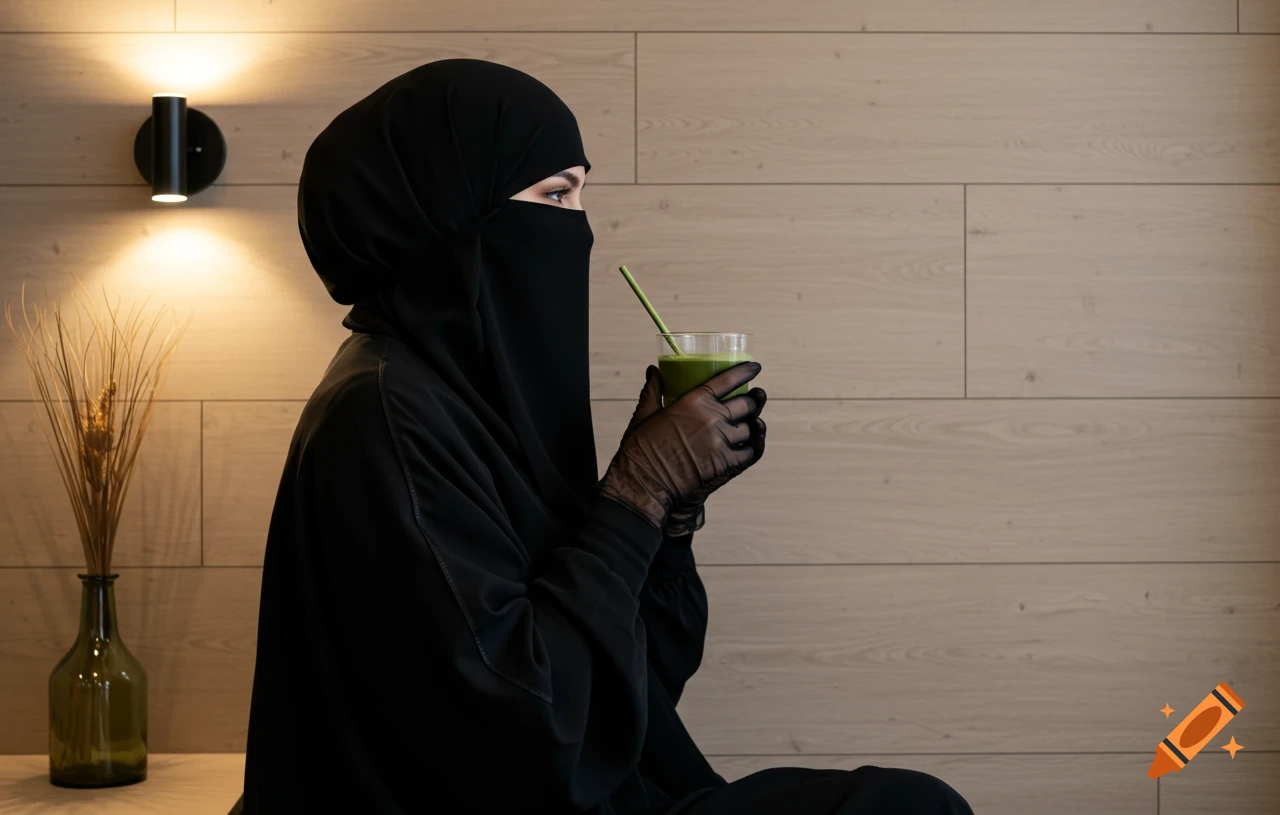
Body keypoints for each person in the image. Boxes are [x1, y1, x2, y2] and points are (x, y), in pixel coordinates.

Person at [240, 58, 972, 815]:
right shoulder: (383, 415)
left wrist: (670, 513)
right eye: (555, 194)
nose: (576, 227)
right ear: (451, 210)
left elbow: (640, 677)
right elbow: (521, 728)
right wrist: (636, 491)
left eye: (580, 193)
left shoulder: (474, 401)